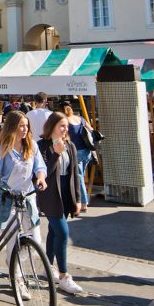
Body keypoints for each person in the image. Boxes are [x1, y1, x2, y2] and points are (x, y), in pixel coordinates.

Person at [0, 111, 48, 300]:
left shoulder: (31, 146)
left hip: (27, 198)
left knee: (35, 239)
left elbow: (40, 167)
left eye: (27, 125)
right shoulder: (3, 148)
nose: (25, 129)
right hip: (8, 198)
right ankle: (17, 277)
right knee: (13, 240)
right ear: (12, 127)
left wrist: (41, 178)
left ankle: (14, 263)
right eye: (21, 126)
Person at [37, 112, 84, 295]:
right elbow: (43, 174)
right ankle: (64, 276)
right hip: (50, 195)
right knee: (63, 233)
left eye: (66, 126)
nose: (65, 130)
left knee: (53, 231)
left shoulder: (70, 146)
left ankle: (48, 268)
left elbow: (75, 174)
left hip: (66, 192)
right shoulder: (42, 146)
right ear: (52, 127)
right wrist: (56, 155)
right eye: (61, 126)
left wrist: (78, 198)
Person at [63, 102, 93, 213]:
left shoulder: (66, 122)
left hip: (77, 152)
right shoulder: (80, 118)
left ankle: (84, 202)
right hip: (87, 151)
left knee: (78, 176)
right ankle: (83, 198)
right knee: (80, 175)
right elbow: (91, 129)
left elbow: (63, 136)